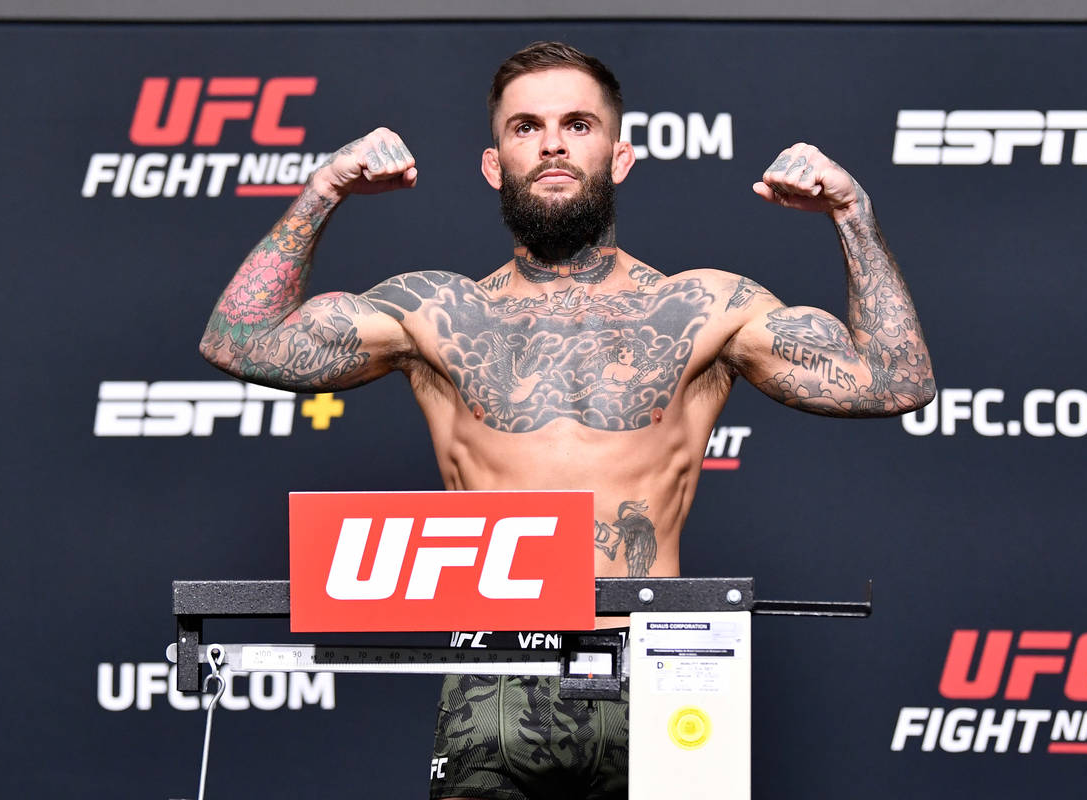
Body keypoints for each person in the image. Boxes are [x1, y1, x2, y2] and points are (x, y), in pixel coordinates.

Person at [199, 40, 934, 800]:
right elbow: (239, 341)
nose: (552, 141)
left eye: (578, 124)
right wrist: (322, 189)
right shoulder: (436, 313)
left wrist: (852, 211)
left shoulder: (705, 308)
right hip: (493, 675)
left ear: (620, 156)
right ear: (494, 165)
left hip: (662, 669)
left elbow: (895, 380)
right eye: (525, 127)